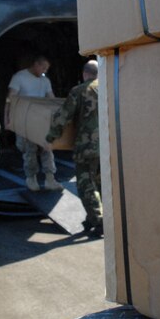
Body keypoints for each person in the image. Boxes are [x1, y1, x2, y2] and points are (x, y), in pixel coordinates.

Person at [46, 60, 103, 236]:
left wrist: (50, 137)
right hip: (108, 146)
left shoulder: (79, 91)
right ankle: (94, 217)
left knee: (86, 185)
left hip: (87, 147)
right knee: (102, 184)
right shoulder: (108, 87)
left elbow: (63, 116)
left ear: (85, 74)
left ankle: (100, 222)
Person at [5, 55, 62, 192]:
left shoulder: (45, 80)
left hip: (42, 119)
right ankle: (31, 179)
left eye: (46, 69)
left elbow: (51, 97)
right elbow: (11, 98)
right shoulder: (19, 77)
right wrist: (8, 118)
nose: (44, 71)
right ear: (36, 64)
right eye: (43, 68)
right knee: (29, 150)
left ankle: (50, 179)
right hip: (25, 118)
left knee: (47, 148)